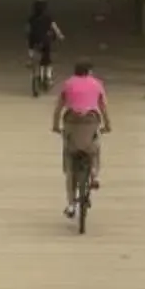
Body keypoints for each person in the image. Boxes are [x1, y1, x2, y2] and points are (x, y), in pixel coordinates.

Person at [52, 60, 110, 216]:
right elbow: (103, 107)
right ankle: (93, 172)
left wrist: (56, 126)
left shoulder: (68, 84)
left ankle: (71, 205)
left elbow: (58, 108)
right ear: (89, 72)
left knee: (70, 162)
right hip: (90, 122)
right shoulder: (96, 84)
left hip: (71, 123)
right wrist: (108, 125)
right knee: (95, 146)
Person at [26, 0, 62, 86]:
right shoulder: (48, 17)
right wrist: (59, 35)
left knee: (31, 47)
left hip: (34, 39)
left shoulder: (31, 18)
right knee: (47, 59)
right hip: (45, 40)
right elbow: (54, 27)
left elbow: (28, 28)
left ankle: (30, 58)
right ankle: (48, 77)